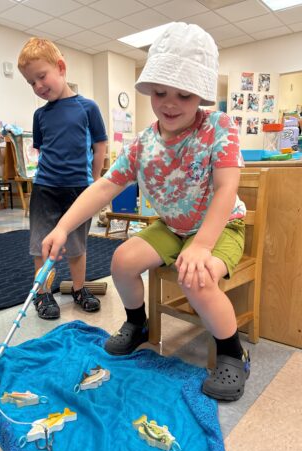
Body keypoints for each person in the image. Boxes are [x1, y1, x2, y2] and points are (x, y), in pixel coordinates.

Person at [41, 23, 250, 402]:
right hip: (172, 227)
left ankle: (233, 351)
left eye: (184, 95)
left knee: (196, 278)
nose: (170, 103)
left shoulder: (220, 127)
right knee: (122, 259)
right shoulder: (143, 143)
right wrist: (63, 227)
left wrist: (202, 245)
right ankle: (138, 324)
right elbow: (105, 186)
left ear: (201, 95)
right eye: (160, 92)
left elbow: (226, 189)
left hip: (221, 227)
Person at [17, 37, 107, 320]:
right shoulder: (39, 115)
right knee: (40, 244)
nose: (38, 86)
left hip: (78, 190)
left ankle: (79, 289)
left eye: (41, 76)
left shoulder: (88, 108)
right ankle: (42, 294)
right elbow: (43, 150)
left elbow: (100, 146)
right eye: (32, 83)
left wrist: (93, 182)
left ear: (61, 67)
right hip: (45, 189)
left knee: (77, 246)